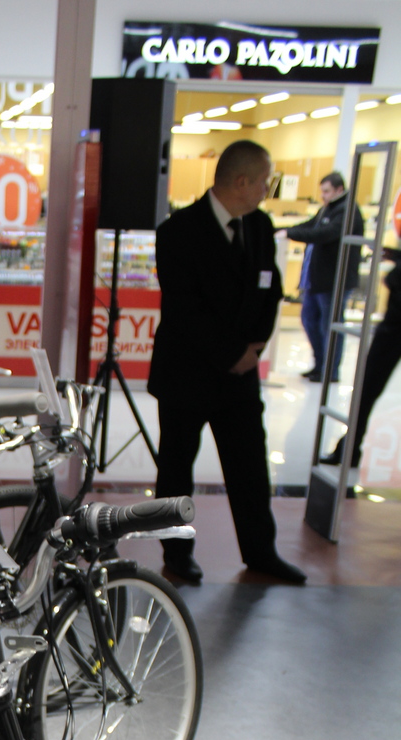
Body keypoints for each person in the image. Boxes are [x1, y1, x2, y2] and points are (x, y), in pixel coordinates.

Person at [149, 138, 305, 586]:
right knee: (176, 469)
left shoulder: (259, 226)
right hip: (188, 374)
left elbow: (270, 291)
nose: (266, 190)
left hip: (240, 378)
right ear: (241, 181)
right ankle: (177, 553)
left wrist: (254, 348)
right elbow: (185, 309)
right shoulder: (178, 231)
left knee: (250, 466)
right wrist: (232, 353)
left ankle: (261, 552)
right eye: (264, 182)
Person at [322, 246, 401, 467]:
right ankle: (349, 448)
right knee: (367, 387)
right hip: (392, 327)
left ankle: (349, 448)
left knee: (368, 387)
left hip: (394, 327)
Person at [282, 172, 363, 383]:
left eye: (326, 191)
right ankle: (320, 365)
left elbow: (324, 234)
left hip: (334, 281)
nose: (323, 196)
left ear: (339, 189)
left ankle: (330, 371)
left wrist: (290, 234)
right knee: (309, 319)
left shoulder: (347, 211)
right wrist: (284, 230)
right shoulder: (327, 209)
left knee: (330, 326)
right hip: (317, 280)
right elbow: (311, 225)